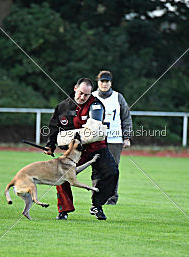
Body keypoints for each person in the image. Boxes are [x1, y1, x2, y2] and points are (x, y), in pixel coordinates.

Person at [44, 78, 119, 220]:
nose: (83, 97)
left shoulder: (96, 104)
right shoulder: (62, 107)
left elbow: (95, 127)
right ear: (75, 89)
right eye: (81, 93)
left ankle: (97, 205)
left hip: (97, 147)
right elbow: (54, 128)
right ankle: (64, 210)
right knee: (61, 175)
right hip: (75, 151)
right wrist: (50, 145)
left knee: (111, 172)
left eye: (87, 94)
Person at [92, 70, 132, 205]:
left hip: (114, 139)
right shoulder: (91, 97)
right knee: (97, 168)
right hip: (96, 139)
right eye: (102, 81)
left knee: (113, 170)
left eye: (107, 81)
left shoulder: (118, 97)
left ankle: (112, 197)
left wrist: (126, 137)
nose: (104, 84)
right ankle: (96, 196)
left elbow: (126, 117)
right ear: (98, 82)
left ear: (111, 83)